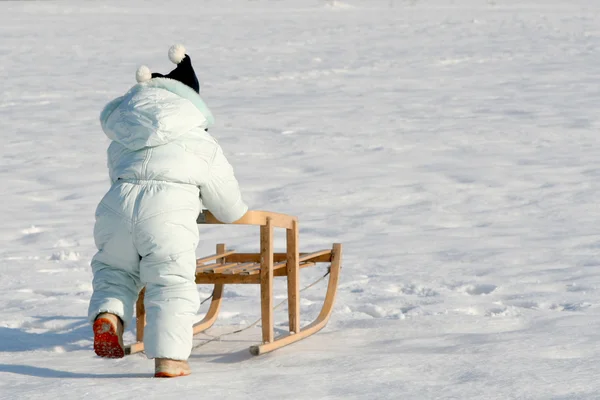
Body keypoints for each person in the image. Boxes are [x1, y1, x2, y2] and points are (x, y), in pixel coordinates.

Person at [88, 44, 248, 378]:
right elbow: (228, 206)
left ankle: (110, 316)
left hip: (115, 210)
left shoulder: (122, 136)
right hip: (166, 214)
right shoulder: (199, 141)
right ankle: (170, 360)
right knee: (170, 282)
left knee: (115, 270)